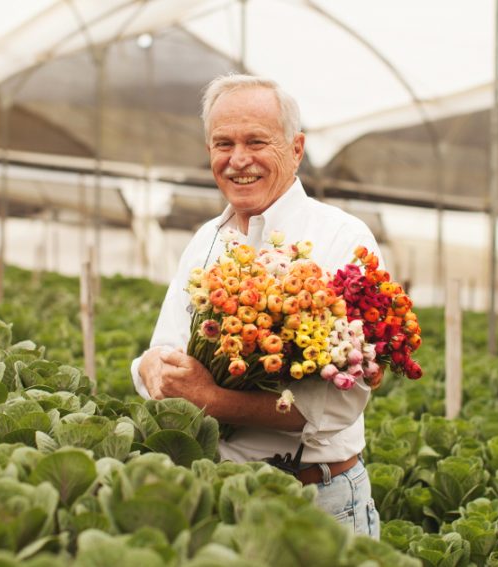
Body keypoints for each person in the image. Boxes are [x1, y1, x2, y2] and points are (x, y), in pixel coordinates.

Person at [131, 74, 382, 538]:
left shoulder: (342, 241)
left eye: (256, 141)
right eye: (222, 143)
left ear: (297, 148)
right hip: (216, 496)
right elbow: (162, 349)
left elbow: (335, 402)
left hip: (315, 504)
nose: (238, 159)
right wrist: (152, 369)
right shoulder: (207, 239)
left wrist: (210, 399)